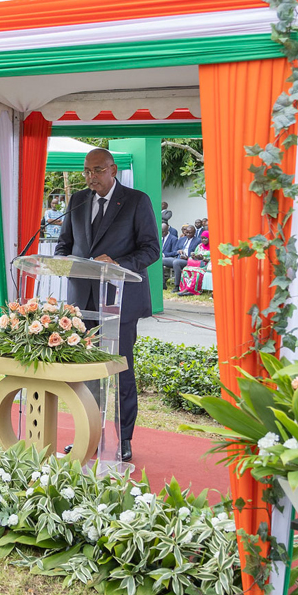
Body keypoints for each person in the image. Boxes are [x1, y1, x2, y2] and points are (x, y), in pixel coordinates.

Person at [55, 148, 159, 463]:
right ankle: (88, 436)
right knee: (86, 373)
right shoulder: (77, 201)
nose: (91, 177)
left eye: (98, 170)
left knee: (119, 372)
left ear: (113, 170)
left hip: (120, 302)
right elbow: (64, 245)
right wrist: (63, 261)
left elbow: (151, 249)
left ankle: (122, 439)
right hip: (82, 303)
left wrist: (117, 264)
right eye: (87, 171)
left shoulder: (136, 201)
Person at [178, 230, 210, 295]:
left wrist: (203, 259)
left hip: (206, 266)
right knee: (185, 269)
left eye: (205, 238)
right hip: (197, 264)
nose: (203, 240)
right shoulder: (199, 246)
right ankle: (185, 288)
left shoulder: (213, 247)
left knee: (198, 272)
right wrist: (193, 256)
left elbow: (213, 259)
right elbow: (195, 254)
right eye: (202, 238)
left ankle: (193, 290)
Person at [170, 225, 201, 289]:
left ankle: (177, 285)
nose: (188, 234)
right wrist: (178, 251)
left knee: (176, 262)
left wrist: (187, 257)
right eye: (187, 232)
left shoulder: (198, 241)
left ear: (194, 233)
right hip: (178, 257)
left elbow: (197, 255)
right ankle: (163, 284)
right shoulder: (181, 239)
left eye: (190, 233)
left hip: (188, 260)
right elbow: (174, 250)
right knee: (162, 260)